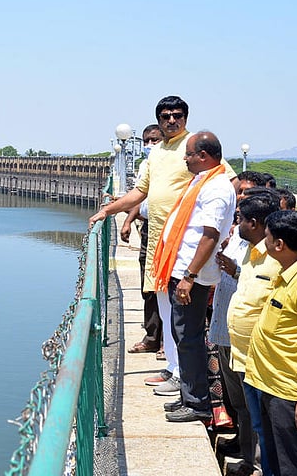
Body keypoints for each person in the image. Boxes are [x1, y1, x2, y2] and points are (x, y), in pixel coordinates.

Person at [90, 96, 236, 395]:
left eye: (178, 115)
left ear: (186, 117)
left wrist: (216, 222)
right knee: (165, 306)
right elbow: (140, 192)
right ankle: (172, 367)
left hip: (186, 246)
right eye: (166, 116)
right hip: (159, 241)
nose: (172, 121)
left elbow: (229, 180)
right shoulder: (155, 153)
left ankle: (183, 377)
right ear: (158, 119)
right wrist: (109, 210)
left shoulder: (194, 146)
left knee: (182, 317)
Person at [151, 132, 235, 422]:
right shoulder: (202, 180)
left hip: (192, 276)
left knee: (189, 337)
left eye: (188, 154)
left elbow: (210, 235)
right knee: (181, 334)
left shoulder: (217, 188)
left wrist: (189, 275)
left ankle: (198, 404)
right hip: (182, 270)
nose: (184, 158)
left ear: (203, 155)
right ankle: (189, 395)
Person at [244, 210, 297, 476]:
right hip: (269, 385)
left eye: (268, 237)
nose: (265, 243)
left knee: (294, 466)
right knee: (278, 463)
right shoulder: (288, 273)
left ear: (279, 245)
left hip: (290, 394)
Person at [220, 189, 282, 476]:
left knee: (261, 419)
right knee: (244, 410)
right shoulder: (250, 253)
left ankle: (259, 466)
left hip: (259, 356)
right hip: (239, 350)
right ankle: (249, 462)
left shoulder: (277, 259)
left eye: (240, 219)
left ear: (255, 223)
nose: (237, 224)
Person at [120, 124, 164, 354]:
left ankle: (167, 342)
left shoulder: (174, 163)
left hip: (167, 228)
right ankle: (152, 336)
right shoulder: (145, 165)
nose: (149, 145)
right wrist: (128, 221)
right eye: (146, 141)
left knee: (166, 286)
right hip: (148, 228)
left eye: (154, 140)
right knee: (148, 285)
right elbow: (140, 196)